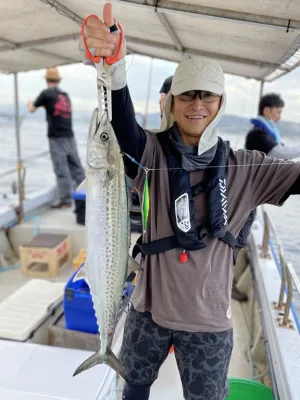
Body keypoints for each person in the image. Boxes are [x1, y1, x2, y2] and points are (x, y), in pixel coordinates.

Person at [82, 4, 300, 399]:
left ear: (220, 103)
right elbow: (123, 127)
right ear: (172, 101)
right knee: (133, 390)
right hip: (147, 312)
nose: (196, 104)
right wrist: (114, 68)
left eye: (207, 96)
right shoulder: (151, 151)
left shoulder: (247, 166)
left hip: (209, 322)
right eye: (186, 95)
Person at [27, 67, 85, 209]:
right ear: (58, 80)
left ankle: (65, 201)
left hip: (57, 138)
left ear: (47, 80)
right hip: (70, 136)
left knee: (61, 170)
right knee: (77, 169)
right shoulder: (65, 95)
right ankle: (87, 197)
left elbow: (31, 109)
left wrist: (29, 103)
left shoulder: (46, 93)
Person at [245, 93, 300, 159]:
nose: (279, 117)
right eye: (278, 112)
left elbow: (284, 149)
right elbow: (283, 154)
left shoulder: (265, 133)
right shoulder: (258, 134)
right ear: (266, 111)